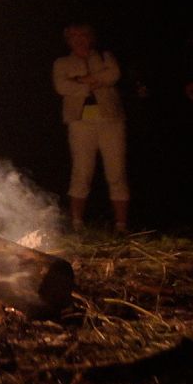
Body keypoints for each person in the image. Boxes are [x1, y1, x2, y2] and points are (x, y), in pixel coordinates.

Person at [52, 23, 129, 230]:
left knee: (116, 171)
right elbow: (61, 86)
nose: (78, 39)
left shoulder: (104, 56)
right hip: (80, 122)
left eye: (83, 35)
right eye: (73, 36)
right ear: (68, 40)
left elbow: (114, 74)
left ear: (90, 37)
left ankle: (121, 225)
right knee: (82, 171)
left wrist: (79, 81)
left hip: (111, 120)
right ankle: (77, 223)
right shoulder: (62, 62)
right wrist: (92, 83)